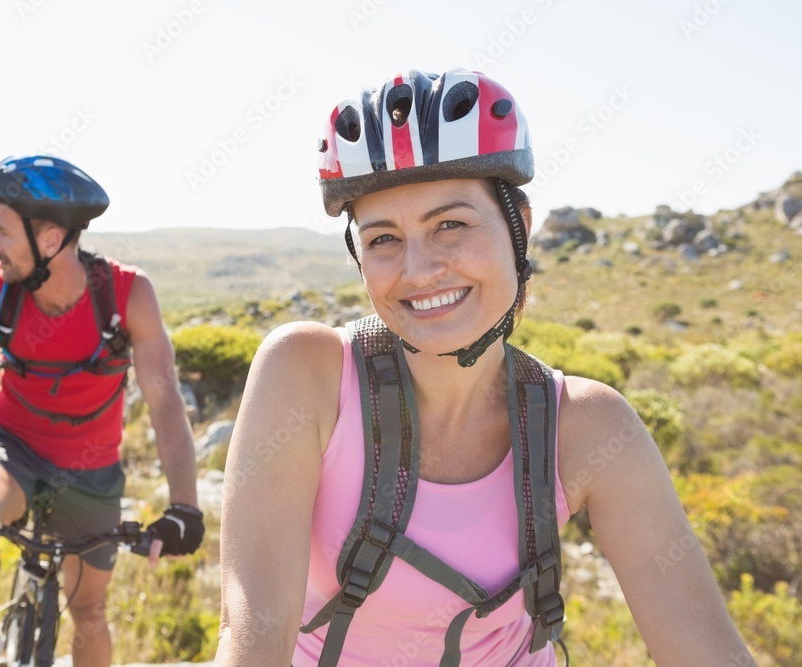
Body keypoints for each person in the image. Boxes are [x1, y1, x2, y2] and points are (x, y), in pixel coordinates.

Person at [217, 69, 755, 666]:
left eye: (451, 224)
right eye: (383, 239)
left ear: (518, 228)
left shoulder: (589, 428)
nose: (419, 270)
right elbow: (251, 642)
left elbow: (707, 652)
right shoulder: (306, 373)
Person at [0, 155, 204, 667]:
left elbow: (167, 406)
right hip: (10, 449)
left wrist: (185, 508)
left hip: (92, 469)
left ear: (48, 240)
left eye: (1, 232)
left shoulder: (128, 294)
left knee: (89, 611)